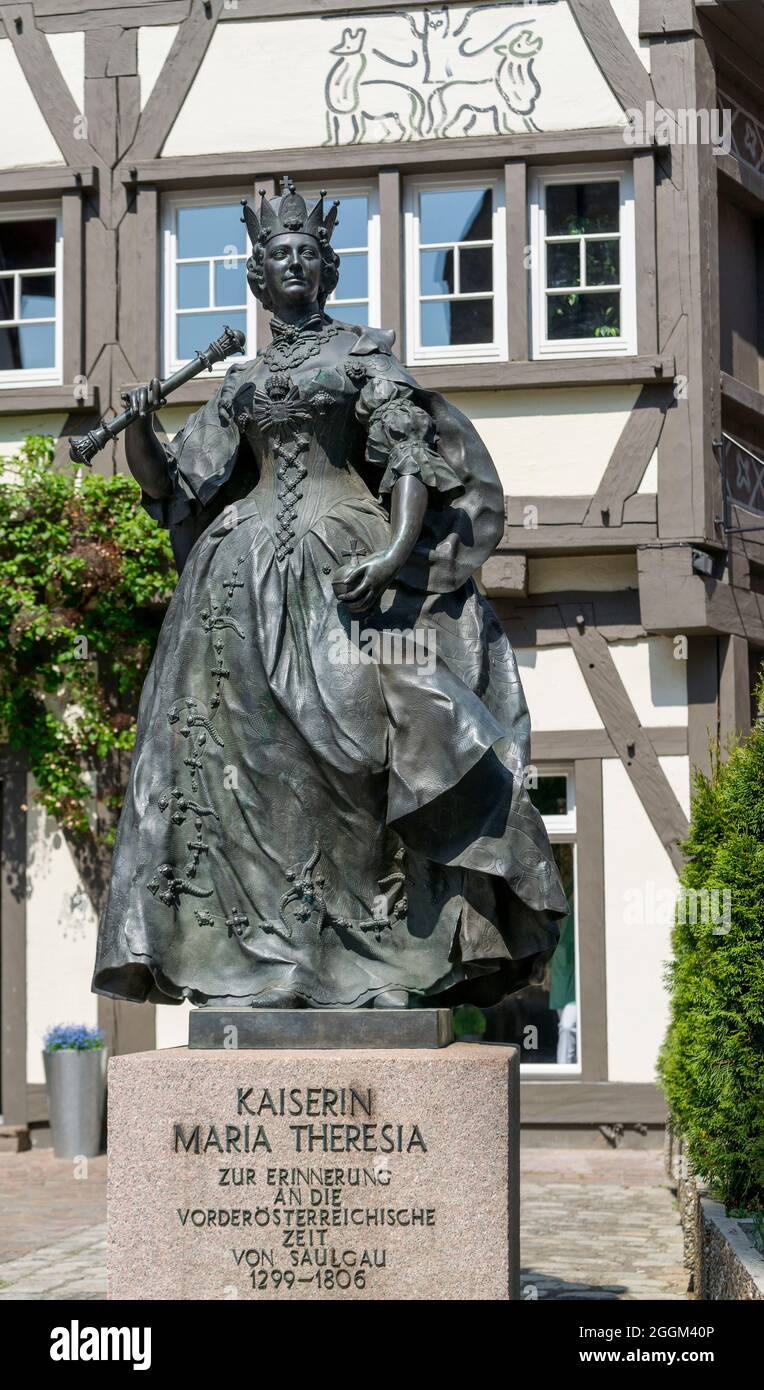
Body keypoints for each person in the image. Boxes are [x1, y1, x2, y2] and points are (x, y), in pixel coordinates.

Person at [92, 177, 566, 1011]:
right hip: (232, 583)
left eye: (310, 254)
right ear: (257, 276)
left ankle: (378, 953)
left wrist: (389, 553)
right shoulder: (236, 381)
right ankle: (263, 960)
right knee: (246, 769)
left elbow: (410, 462)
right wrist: (138, 427)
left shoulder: (363, 357)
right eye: (280, 255)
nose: (296, 267)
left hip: (345, 569)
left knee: (360, 755)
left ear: (329, 271)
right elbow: (175, 486)